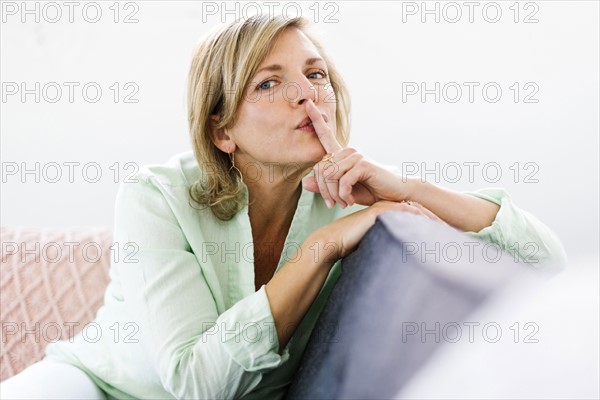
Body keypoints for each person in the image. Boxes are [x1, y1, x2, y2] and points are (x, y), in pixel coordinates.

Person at [0, 13, 567, 400]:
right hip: (100, 389)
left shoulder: (354, 194)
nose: (307, 94)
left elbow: (543, 261)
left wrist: (407, 190)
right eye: (269, 84)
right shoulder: (156, 195)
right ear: (222, 130)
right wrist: (323, 248)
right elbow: (197, 383)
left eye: (315, 74)